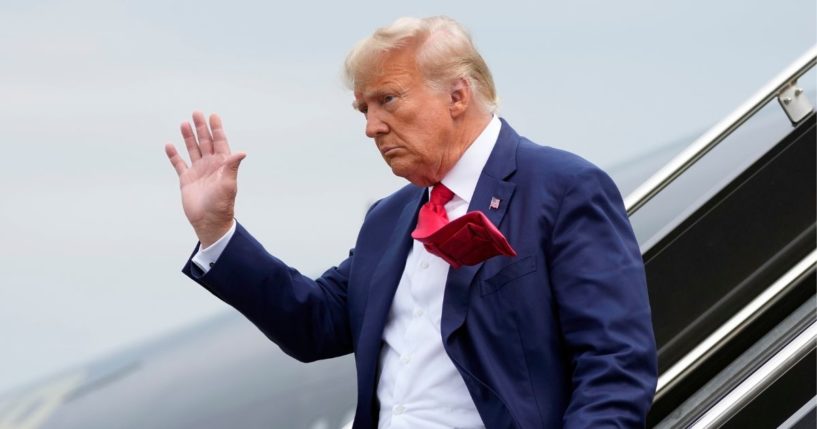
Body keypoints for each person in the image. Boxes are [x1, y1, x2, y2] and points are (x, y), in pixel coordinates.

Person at [165, 16, 657, 429]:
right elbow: (313, 325)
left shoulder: (563, 187)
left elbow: (616, 366)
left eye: (388, 100)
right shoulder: (387, 218)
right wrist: (218, 229)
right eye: (363, 108)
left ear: (457, 96)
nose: (370, 127)